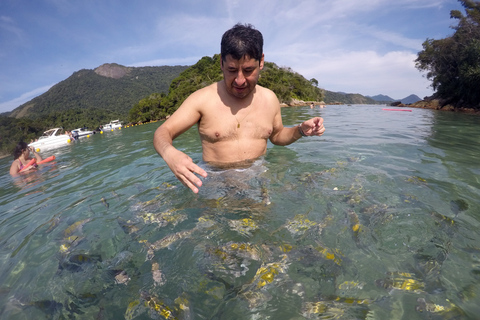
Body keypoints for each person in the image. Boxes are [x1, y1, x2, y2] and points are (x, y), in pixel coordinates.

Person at [153, 23, 325, 193]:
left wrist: (300, 130)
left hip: (258, 181)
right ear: (221, 63)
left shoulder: (269, 98)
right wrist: (170, 154)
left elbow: (278, 135)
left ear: (261, 62)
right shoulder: (202, 99)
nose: (240, 80)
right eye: (232, 70)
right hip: (215, 185)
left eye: (248, 70)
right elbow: (163, 131)